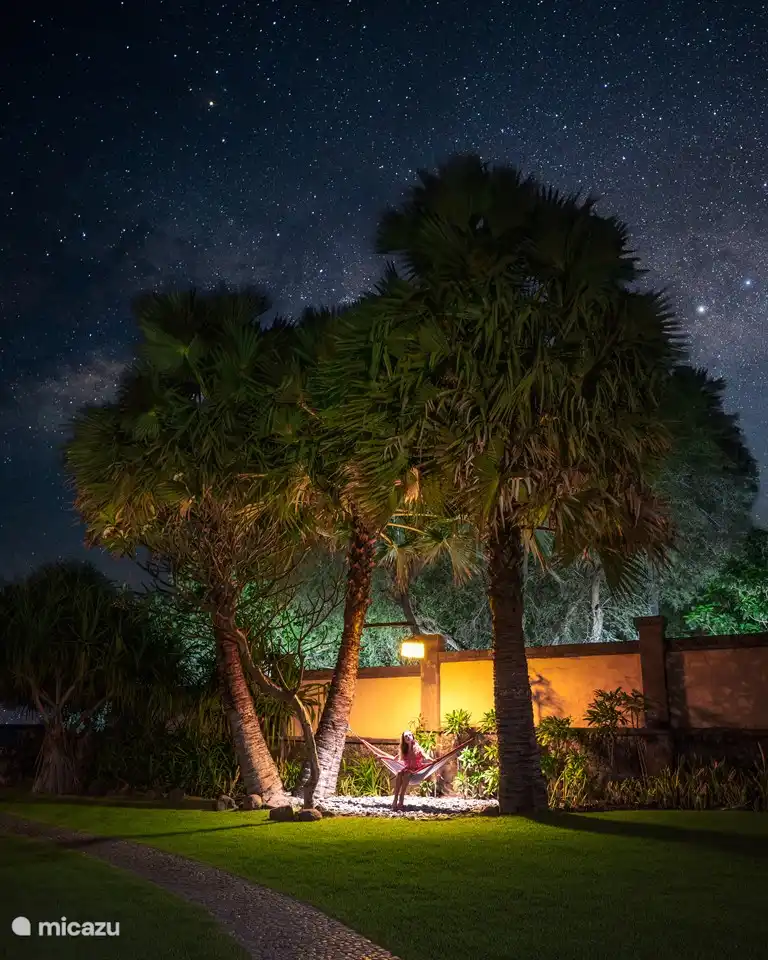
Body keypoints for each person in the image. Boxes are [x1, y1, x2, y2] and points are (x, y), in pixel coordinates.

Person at [392, 730, 430, 811]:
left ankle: (401, 797)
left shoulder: (417, 748)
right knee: (399, 773)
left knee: (407, 773)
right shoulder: (403, 749)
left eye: (410, 735)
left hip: (417, 770)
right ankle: (395, 798)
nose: (408, 737)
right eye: (406, 736)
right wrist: (381, 757)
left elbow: (425, 755)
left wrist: (433, 760)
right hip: (407, 769)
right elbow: (393, 759)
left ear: (412, 737)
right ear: (404, 740)